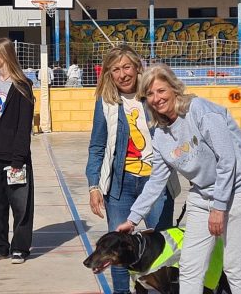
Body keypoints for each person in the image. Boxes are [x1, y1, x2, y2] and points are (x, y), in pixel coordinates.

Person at [117, 63, 241, 293]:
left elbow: (228, 160)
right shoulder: (161, 135)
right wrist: (133, 219)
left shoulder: (200, 111)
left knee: (235, 268)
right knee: (189, 268)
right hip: (202, 196)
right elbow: (156, 181)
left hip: (240, 192)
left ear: (174, 88)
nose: (157, 98)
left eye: (161, 90)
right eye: (150, 94)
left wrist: (219, 207)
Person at [86, 44, 178, 294]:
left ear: (138, 67)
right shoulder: (106, 102)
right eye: (115, 69)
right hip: (120, 185)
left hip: (156, 181)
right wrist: (94, 186)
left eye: (126, 67)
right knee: (116, 249)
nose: (122, 74)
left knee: (162, 247)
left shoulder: (152, 96)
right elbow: (97, 146)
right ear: (108, 73)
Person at [0, 37, 35, 265]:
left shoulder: (23, 85)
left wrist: (18, 158)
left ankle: (20, 248)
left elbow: (24, 125)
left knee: (20, 205)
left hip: (15, 158)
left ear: (4, 55)